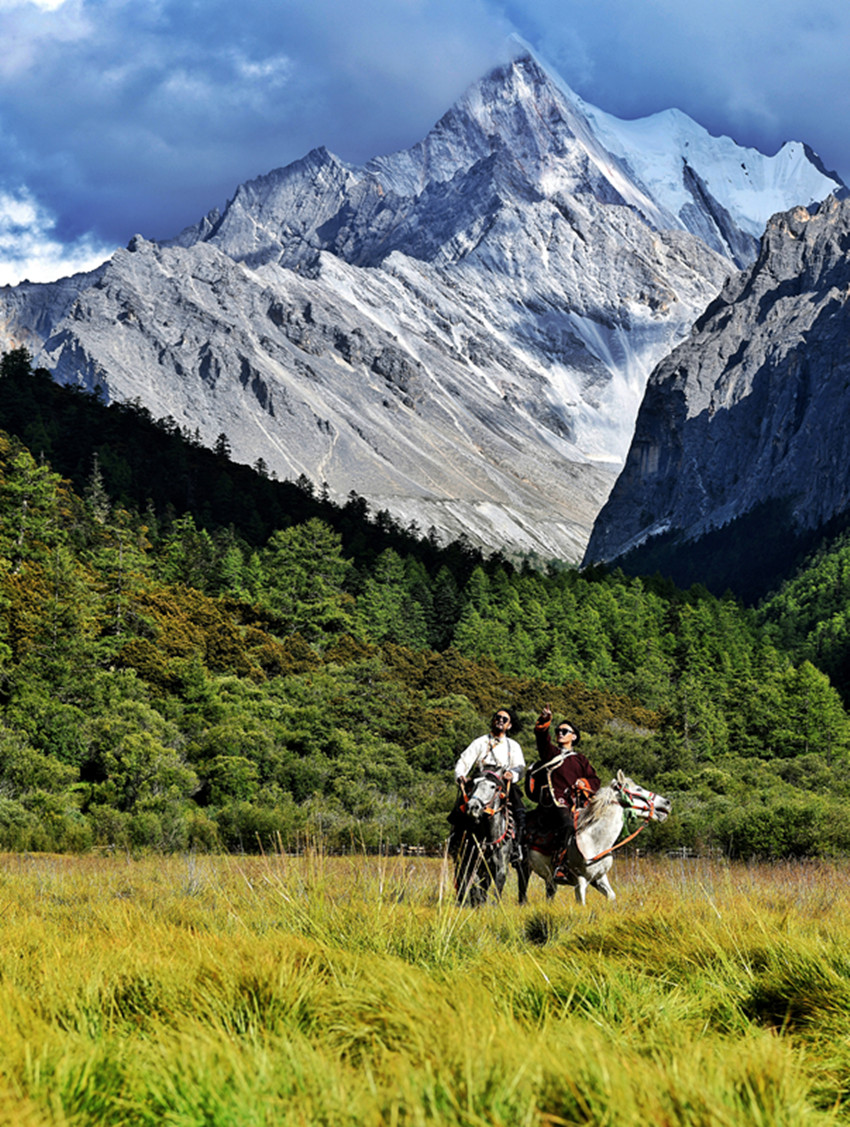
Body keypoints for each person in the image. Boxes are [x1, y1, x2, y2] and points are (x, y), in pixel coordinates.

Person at [448, 707, 527, 863]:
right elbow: (464, 760)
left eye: (505, 719)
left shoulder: (513, 745)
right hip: (480, 779)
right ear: (493, 720)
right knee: (461, 807)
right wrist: (461, 775)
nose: (500, 721)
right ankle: (455, 843)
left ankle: (517, 846)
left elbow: (520, 767)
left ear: (509, 725)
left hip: (502, 782)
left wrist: (513, 774)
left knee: (519, 809)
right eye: (498, 717)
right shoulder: (480, 742)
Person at [532, 704, 601, 881]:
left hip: (576, 804)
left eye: (565, 731)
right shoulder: (551, 753)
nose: (560, 733)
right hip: (556, 802)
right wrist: (545, 721)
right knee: (568, 825)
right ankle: (561, 865)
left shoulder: (581, 759)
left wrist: (584, 783)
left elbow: (595, 781)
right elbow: (542, 738)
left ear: (574, 736)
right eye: (558, 731)